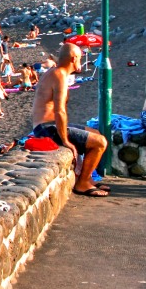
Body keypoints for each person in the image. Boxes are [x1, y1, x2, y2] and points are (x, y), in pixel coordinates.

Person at [29, 43, 110, 197]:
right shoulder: (59, 75)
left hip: (47, 125)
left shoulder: (55, 72)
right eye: (79, 58)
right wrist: (66, 140)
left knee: (95, 133)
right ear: (74, 59)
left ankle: (85, 176)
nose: (80, 61)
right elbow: (59, 111)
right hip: (48, 129)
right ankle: (83, 183)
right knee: (100, 143)